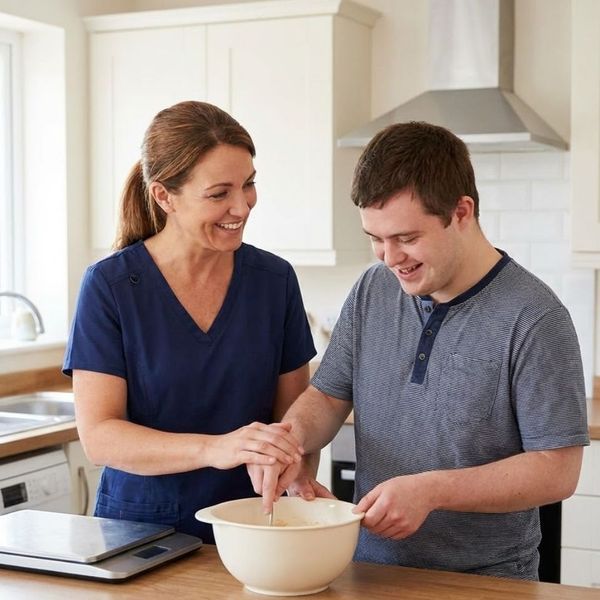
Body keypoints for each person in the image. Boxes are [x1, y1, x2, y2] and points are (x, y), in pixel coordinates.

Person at [252, 121, 589, 580]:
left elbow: (557, 470)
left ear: (461, 212)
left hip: (484, 581)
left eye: (406, 238)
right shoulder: (373, 289)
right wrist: (290, 441)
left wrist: (433, 490)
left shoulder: (535, 317)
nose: (390, 258)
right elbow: (329, 397)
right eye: (375, 238)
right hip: (365, 571)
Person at [63, 101, 316, 543]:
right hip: (138, 533)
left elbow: (296, 419)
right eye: (219, 194)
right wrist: (216, 447)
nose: (242, 206)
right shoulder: (111, 286)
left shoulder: (274, 282)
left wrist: (296, 474)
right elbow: (100, 436)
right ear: (164, 196)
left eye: (249, 185)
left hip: (252, 527)